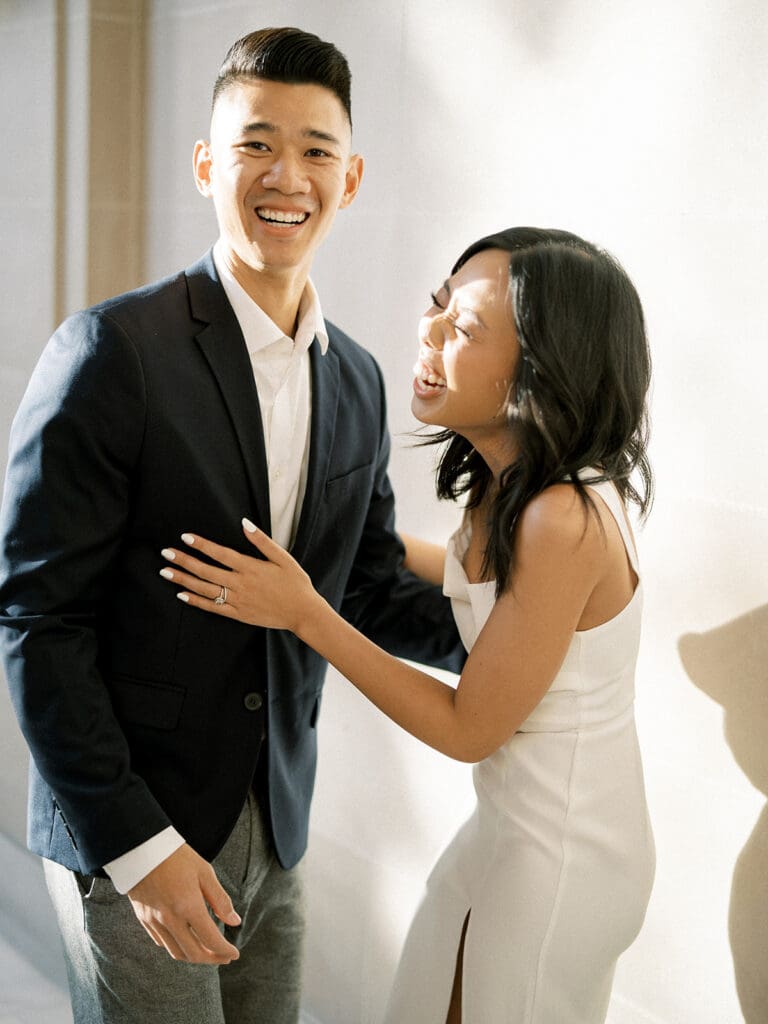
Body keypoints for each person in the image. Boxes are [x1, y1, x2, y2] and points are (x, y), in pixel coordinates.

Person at [0, 27, 464, 1024]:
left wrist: (514, 630)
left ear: (351, 176)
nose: (285, 175)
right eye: (255, 143)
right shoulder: (110, 352)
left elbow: (369, 582)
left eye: (314, 149)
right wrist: (139, 846)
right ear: (209, 163)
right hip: (133, 831)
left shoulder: (358, 380)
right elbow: (38, 620)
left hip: (276, 830)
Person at [159, 227, 657, 1023]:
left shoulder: (562, 516)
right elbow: (459, 575)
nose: (427, 332)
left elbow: (469, 728)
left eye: (463, 328)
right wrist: (305, 535)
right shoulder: (514, 487)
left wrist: (303, 614)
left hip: (566, 853)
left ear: (542, 371)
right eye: (437, 305)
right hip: (507, 830)